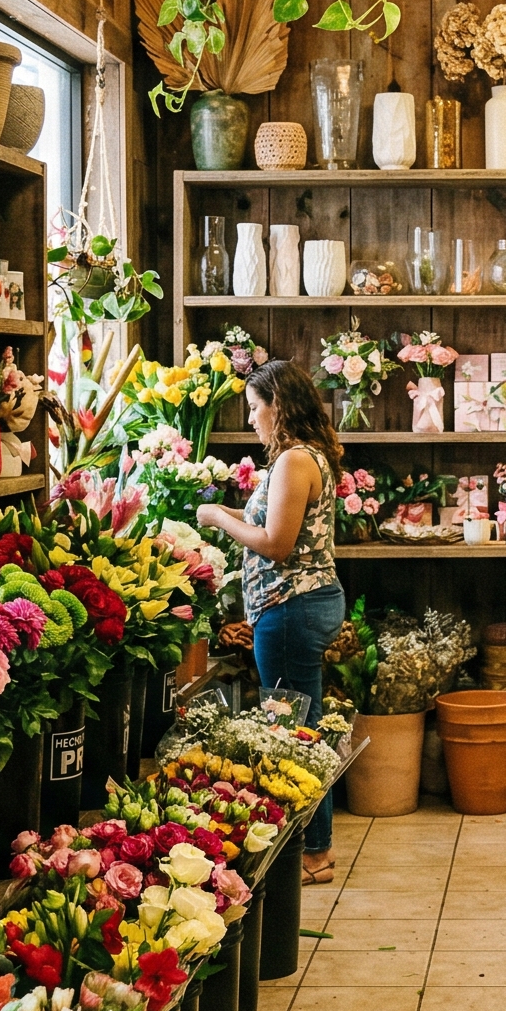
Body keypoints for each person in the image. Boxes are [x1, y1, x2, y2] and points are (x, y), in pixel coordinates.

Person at [197, 360, 346, 885]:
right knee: (303, 726)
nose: (252, 417)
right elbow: (278, 530)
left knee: (292, 734)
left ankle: (312, 853)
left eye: (256, 406)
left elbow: (277, 545)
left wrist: (220, 517)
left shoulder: (292, 462)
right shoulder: (309, 456)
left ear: (278, 406)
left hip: (290, 609)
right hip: (300, 604)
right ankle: (316, 847)